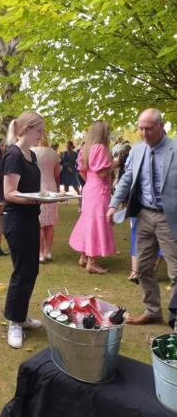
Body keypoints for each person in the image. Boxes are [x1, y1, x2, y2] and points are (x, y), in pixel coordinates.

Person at [107, 108, 177, 325]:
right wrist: (112, 205)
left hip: (170, 218)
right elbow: (127, 180)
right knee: (143, 267)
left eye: (149, 128)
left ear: (161, 126)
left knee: (175, 272)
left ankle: (175, 319)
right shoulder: (137, 151)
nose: (144, 133)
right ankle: (152, 311)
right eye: (141, 128)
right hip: (144, 216)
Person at [3, 110, 47, 349]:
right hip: (17, 219)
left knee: (32, 270)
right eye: (39, 130)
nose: (41, 135)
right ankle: (14, 322)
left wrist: (42, 199)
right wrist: (37, 198)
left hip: (31, 217)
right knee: (22, 272)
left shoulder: (31, 155)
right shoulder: (13, 155)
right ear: (26, 129)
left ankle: (21, 315)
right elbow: (9, 193)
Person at [69, 121, 116, 274]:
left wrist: (91, 180)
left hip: (89, 189)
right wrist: (116, 163)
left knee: (88, 222)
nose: (109, 135)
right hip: (99, 191)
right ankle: (92, 262)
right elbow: (102, 173)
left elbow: (82, 171)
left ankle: (84, 256)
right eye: (107, 132)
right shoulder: (101, 148)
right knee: (97, 223)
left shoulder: (85, 148)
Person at [32, 138, 60, 263]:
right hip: (51, 187)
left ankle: (40, 254)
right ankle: (48, 252)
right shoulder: (54, 154)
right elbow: (57, 174)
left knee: (39, 223)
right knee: (49, 223)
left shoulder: (31, 151)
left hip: (38, 187)